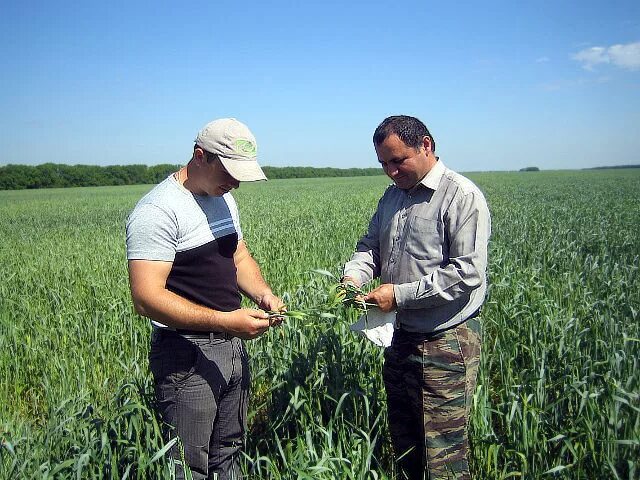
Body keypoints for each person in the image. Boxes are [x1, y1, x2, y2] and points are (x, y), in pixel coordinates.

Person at [126, 118, 284, 480]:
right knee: (188, 464)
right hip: (187, 353)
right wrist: (226, 320)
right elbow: (146, 298)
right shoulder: (158, 211)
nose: (236, 182)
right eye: (230, 171)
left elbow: (238, 256)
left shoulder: (223, 198)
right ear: (200, 156)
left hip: (231, 345)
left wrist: (263, 294)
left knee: (229, 452)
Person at [343, 115, 491, 480]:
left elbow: (466, 273)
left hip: (444, 341)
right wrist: (354, 276)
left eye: (398, 160)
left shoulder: (462, 196)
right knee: (405, 444)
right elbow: (370, 247)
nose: (391, 172)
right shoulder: (393, 197)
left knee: (443, 454)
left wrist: (399, 295)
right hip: (400, 338)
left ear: (426, 145)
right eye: (383, 164)